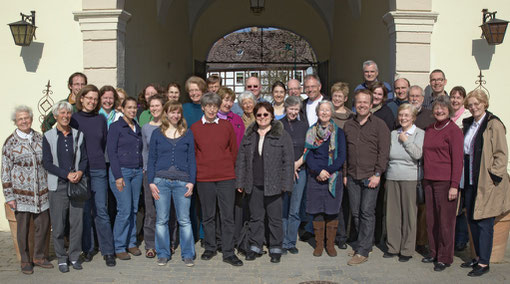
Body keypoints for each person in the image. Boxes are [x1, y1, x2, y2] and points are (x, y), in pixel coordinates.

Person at [236, 101, 294, 263]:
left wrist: (286, 184)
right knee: (256, 217)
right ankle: (255, 246)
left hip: (275, 184)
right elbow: (242, 160)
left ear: (272, 116)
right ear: (255, 117)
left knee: (275, 218)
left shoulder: (282, 135)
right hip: (253, 184)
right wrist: (240, 182)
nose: (262, 118)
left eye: (265, 114)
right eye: (259, 115)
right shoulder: (249, 134)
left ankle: (276, 248)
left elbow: (288, 161)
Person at [460, 89, 510, 277]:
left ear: (484, 103)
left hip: (486, 182)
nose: (474, 107)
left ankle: (483, 262)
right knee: (473, 219)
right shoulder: (469, 124)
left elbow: (501, 153)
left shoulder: (493, 124)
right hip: (471, 181)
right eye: (470, 105)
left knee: (485, 222)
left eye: (477, 103)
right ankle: (476, 256)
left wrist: (493, 177)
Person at [190, 93, 243, 267]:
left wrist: (231, 171)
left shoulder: (227, 126)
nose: (212, 109)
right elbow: (194, 154)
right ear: (203, 107)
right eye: (208, 106)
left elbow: (234, 151)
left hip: (226, 177)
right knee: (208, 215)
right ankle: (210, 247)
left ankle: (228, 252)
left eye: (215, 106)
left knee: (227, 216)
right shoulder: (195, 128)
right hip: (204, 178)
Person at [2, 106, 52, 274]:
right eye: (20, 119)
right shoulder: (10, 142)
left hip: (42, 193)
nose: (24, 121)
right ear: (15, 122)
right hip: (20, 195)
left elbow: (47, 163)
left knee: (43, 225)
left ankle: (39, 256)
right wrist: (9, 196)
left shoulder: (39, 137)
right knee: (22, 229)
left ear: (31, 119)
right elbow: (5, 171)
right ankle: (25, 260)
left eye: (26, 118)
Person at [343, 89, 390, 266]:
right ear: (354, 104)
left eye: (365, 102)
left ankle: (362, 251)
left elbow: (383, 152)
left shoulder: (379, 125)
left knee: (367, 213)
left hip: (371, 176)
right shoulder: (348, 125)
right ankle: (365, 243)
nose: (362, 105)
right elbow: (346, 152)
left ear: (371, 105)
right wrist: (345, 173)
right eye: (359, 102)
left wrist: (378, 174)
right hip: (353, 176)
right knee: (356, 213)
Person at [147, 101, 196, 267]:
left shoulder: (187, 133)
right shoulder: (157, 133)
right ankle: (163, 253)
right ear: (166, 113)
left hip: (182, 182)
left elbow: (192, 160)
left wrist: (191, 182)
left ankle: (188, 254)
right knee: (162, 220)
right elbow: (151, 159)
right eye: (172, 112)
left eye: (178, 113)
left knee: (184, 220)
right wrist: (151, 182)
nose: (175, 115)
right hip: (161, 181)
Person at [71, 85, 115, 266]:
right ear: (81, 98)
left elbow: (104, 144)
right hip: (80, 171)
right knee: (85, 212)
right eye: (89, 98)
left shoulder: (100, 119)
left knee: (101, 211)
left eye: (95, 99)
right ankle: (88, 249)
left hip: (98, 169)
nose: (92, 101)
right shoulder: (73, 119)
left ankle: (108, 251)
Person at [42, 101, 88, 273]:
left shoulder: (78, 135)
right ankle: (62, 257)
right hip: (58, 186)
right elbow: (46, 163)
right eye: (62, 113)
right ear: (55, 116)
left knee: (76, 223)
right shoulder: (48, 136)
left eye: (68, 113)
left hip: (76, 185)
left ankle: (75, 256)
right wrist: (65, 174)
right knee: (59, 224)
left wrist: (80, 172)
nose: (65, 116)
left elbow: (84, 159)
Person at [421, 96, 463, 271]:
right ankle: (434, 252)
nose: (439, 111)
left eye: (443, 108)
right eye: (437, 108)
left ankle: (445, 257)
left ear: (449, 110)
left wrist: (454, 185)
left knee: (445, 221)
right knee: (431, 219)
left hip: (445, 182)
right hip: (429, 180)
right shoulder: (430, 129)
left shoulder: (453, 131)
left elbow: (458, 160)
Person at [304, 101, 347, 258]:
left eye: (327, 110)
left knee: (332, 211)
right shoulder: (311, 131)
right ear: (317, 112)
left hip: (333, 176)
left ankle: (330, 245)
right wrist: (318, 171)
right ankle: (319, 245)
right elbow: (308, 154)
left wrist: (328, 171)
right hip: (316, 176)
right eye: (321, 110)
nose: (324, 113)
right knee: (317, 212)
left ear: (332, 112)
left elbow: (342, 156)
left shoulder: (339, 132)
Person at [384, 104, 424, 262]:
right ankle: (393, 247)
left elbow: (418, 154)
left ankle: (407, 249)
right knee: (392, 214)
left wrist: (406, 140)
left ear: (413, 117)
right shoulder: (393, 133)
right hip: (393, 176)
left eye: (407, 115)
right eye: (401, 115)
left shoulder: (420, 133)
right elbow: (388, 155)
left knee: (409, 215)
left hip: (410, 178)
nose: (403, 118)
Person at [107, 97, 144, 261]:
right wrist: (118, 176)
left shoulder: (137, 127)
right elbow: (112, 153)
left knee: (134, 209)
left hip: (136, 172)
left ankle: (131, 242)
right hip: (121, 172)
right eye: (129, 107)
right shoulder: (116, 127)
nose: (132, 110)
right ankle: (119, 246)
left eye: (134, 108)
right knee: (124, 209)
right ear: (122, 109)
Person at [407, 85, 435, 255]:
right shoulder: (403, 114)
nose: (414, 99)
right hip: (406, 168)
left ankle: (421, 241)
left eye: (417, 96)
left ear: (423, 99)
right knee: (410, 206)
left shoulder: (429, 117)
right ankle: (409, 238)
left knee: (423, 207)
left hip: (424, 166)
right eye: (411, 96)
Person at [280, 96, 309, 254]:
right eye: (290, 108)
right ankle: (282, 241)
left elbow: (309, 147)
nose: (293, 112)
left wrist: (297, 164)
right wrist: (288, 167)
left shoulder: (304, 126)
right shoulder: (279, 125)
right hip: (283, 172)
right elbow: (277, 148)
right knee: (283, 208)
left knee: (295, 209)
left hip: (300, 171)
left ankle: (291, 242)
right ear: (286, 108)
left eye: (296, 109)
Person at [141, 94, 168, 259]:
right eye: (152, 106)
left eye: (157, 105)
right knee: (151, 211)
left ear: (163, 107)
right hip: (150, 173)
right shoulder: (146, 127)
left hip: (167, 173)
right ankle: (150, 245)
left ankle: (168, 242)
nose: (154, 108)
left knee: (166, 210)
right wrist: (145, 169)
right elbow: (145, 151)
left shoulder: (170, 126)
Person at [329, 82, 353, 249]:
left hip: (347, 164)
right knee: (332, 202)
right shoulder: (326, 114)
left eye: (340, 96)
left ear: (345, 98)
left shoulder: (352, 117)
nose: (337, 99)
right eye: (334, 95)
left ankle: (344, 236)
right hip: (330, 164)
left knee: (346, 203)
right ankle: (332, 235)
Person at [448, 85, 472, 253]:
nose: (455, 100)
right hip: (449, 163)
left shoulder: (467, 117)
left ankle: (461, 240)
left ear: (463, 100)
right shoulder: (448, 115)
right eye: (453, 97)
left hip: (462, 163)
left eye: (458, 97)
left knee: (461, 204)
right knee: (451, 203)